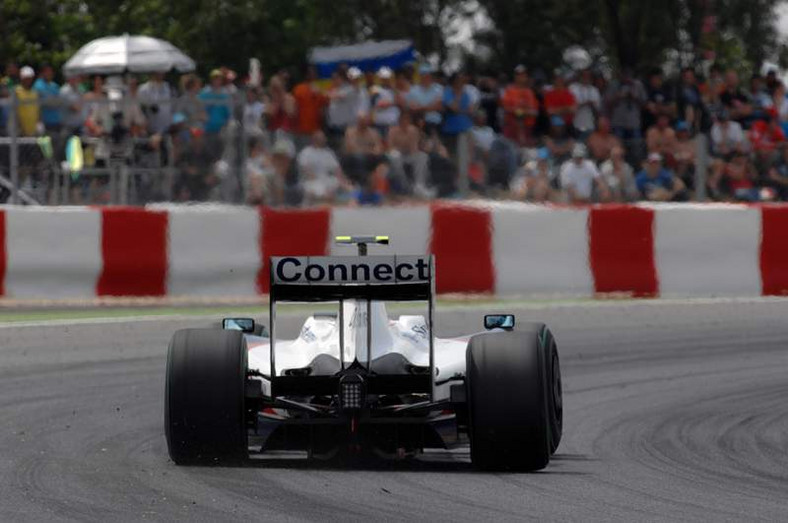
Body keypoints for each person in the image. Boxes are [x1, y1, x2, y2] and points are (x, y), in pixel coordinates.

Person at [387, 110, 431, 197]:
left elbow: (414, 148)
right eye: (403, 120)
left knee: (422, 156)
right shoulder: (392, 131)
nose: (405, 122)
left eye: (407, 120)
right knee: (395, 155)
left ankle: (419, 185)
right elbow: (390, 147)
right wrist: (401, 149)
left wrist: (409, 137)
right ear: (399, 121)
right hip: (398, 156)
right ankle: (404, 185)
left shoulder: (413, 130)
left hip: (409, 155)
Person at [297, 130, 348, 203]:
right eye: (321, 138)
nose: (324, 139)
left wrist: (343, 181)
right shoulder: (305, 152)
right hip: (310, 181)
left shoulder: (329, 152)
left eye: (324, 138)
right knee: (319, 189)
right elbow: (306, 171)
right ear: (314, 139)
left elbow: (337, 169)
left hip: (326, 179)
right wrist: (322, 184)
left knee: (345, 185)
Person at [604, 68, 647, 142]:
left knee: (635, 147)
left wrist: (634, 97)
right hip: (618, 122)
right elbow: (607, 103)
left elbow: (644, 103)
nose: (627, 79)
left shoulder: (638, 85)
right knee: (617, 148)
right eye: (624, 76)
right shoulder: (613, 85)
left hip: (634, 123)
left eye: (629, 76)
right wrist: (618, 96)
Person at [501, 65, 538, 146]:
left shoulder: (529, 92)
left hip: (527, 128)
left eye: (523, 75)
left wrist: (520, 111)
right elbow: (506, 108)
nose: (521, 77)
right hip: (512, 128)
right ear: (515, 76)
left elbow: (534, 112)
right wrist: (521, 112)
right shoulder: (509, 90)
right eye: (518, 75)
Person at [292, 65, 326, 150]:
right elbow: (294, 109)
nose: (315, 74)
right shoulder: (298, 89)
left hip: (315, 130)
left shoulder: (318, 90)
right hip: (302, 130)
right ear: (307, 75)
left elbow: (322, 109)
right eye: (312, 72)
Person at [441, 72, 474, 157]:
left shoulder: (466, 93)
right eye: (459, 80)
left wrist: (461, 110)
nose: (462, 82)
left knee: (465, 157)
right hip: (451, 129)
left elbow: (471, 111)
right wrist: (458, 95)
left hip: (465, 128)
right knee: (452, 156)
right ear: (454, 81)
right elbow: (454, 108)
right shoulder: (447, 92)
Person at [407, 64, 444, 136]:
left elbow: (439, 106)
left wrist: (420, 107)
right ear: (420, 76)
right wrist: (431, 106)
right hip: (418, 123)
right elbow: (412, 108)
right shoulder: (413, 90)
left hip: (435, 123)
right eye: (423, 75)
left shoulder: (439, 89)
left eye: (428, 75)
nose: (426, 77)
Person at [570, 68, 601, 138]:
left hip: (590, 124)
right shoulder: (573, 88)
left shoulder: (594, 90)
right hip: (575, 123)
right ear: (580, 76)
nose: (586, 77)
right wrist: (584, 103)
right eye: (584, 75)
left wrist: (592, 105)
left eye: (588, 76)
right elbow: (570, 107)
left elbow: (598, 109)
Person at [371, 67, 399, 137]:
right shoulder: (375, 89)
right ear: (380, 79)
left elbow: (400, 101)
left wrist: (394, 90)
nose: (386, 80)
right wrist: (393, 103)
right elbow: (377, 104)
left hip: (393, 122)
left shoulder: (394, 90)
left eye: (388, 78)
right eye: (384, 78)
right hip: (381, 123)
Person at [32, 64, 61, 134]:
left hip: (56, 121)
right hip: (43, 122)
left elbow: (60, 101)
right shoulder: (37, 86)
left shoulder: (55, 86)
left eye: (50, 71)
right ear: (42, 73)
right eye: (47, 71)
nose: (49, 73)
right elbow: (43, 102)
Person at [15, 66, 40, 137]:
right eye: (26, 78)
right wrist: (19, 126)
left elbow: (38, 109)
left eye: (30, 78)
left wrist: (39, 123)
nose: (28, 80)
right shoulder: (16, 91)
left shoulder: (35, 92)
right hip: (20, 131)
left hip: (33, 130)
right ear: (21, 78)